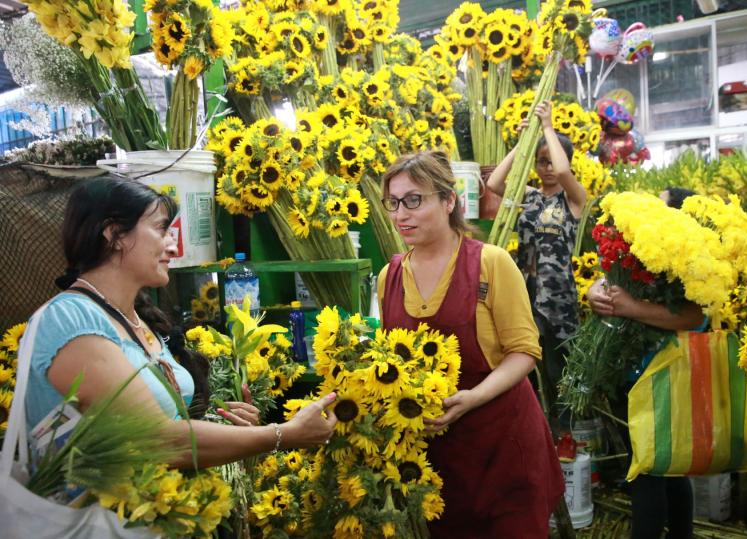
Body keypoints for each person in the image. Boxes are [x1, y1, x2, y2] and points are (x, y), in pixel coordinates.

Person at [25, 177, 337, 469]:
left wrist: (226, 426)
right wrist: (281, 435)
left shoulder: (135, 320)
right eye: (161, 230)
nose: (173, 247)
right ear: (114, 234)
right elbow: (160, 440)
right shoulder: (70, 319)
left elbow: (171, 424)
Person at [377, 151, 564, 538]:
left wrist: (473, 398)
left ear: (449, 201)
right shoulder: (389, 277)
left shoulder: (490, 263)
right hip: (439, 456)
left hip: (503, 444)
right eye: (393, 203)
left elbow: (524, 351)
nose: (401, 214)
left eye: (414, 200)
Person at [587, 187, 703, 539]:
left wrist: (629, 308)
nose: (651, 207)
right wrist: (595, 291)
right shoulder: (645, 251)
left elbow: (695, 317)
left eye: (660, 202)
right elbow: (609, 281)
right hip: (634, 373)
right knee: (666, 467)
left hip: (665, 375)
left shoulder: (691, 260)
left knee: (647, 470)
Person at [486, 100, 587, 430]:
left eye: (550, 160)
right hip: (525, 296)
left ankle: (565, 436)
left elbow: (561, 173)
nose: (546, 168)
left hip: (558, 301)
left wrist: (546, 126)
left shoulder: (573, 199)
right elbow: (494, 184)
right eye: (539, 161)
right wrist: (522, 144)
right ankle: (534, 432)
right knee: (525, 372)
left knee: (560, 372)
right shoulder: (528, 196)